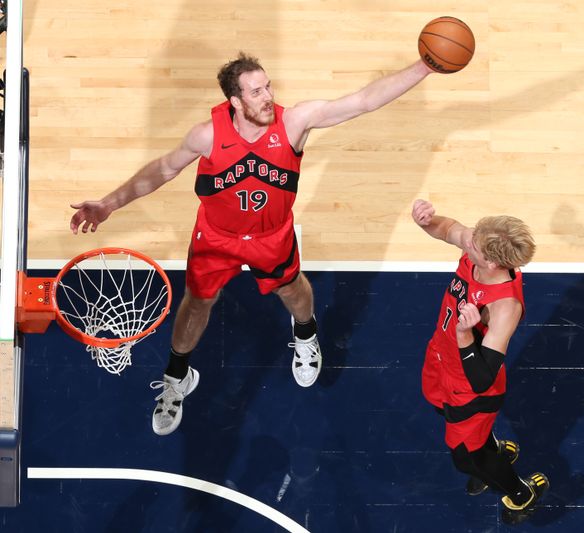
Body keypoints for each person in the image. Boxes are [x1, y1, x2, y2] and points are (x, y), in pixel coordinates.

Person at [70, 52, 438, 436]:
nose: (267, 97)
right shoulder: (207, 135)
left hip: (271, 235)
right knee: (196, 303)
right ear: (235, 101)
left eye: (268, 87)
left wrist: (424, 67)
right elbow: (162, 170)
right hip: (216, 238)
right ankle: (177, 376)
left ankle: (306, 334)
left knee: (293, 290)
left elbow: (364, 101)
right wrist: (109, 204)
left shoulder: (293, 122)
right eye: (256, 91)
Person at [411, 199, 549, 524]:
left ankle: (520, 494)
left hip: (470, 386)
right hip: (440, 355)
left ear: (489, 261)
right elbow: (446, 228)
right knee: (437, 406)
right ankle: (493, 447)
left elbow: (482, 378)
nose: (465, 236)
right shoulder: (478, 247)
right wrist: (424, 221)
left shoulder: (505, 306)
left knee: (466, 460)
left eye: (472, 241)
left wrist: (464, 336)